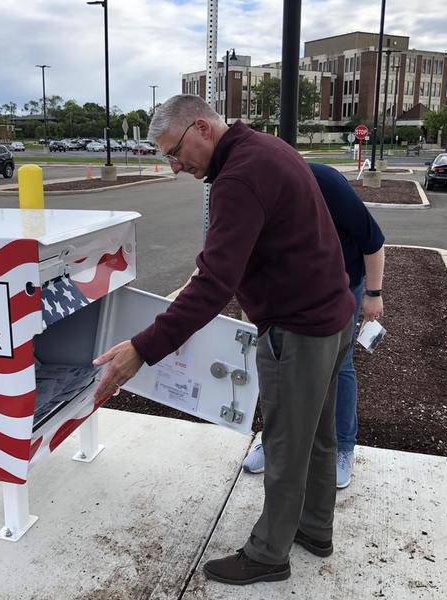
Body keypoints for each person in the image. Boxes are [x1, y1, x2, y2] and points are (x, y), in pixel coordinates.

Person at [92, 94, 355, 586]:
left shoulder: (238, 177)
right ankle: (315, 529)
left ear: (200, 129)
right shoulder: (266, 148)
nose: (174, 167)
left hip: (299, 330)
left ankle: (268, 554)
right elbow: (258, 247)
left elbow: (212, 283)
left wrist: (141, 350)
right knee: (318, 437)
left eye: (174, 152)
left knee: (283, 446)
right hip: (333, 315)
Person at [242, 162, 386, 489]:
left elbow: (373, 241)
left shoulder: (326, 183)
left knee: (339, 365)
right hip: (290, 287)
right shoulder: (250, 189)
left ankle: (343, 449)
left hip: (343, 284)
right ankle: (275, 443)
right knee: (280, 364)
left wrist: (373, 294)